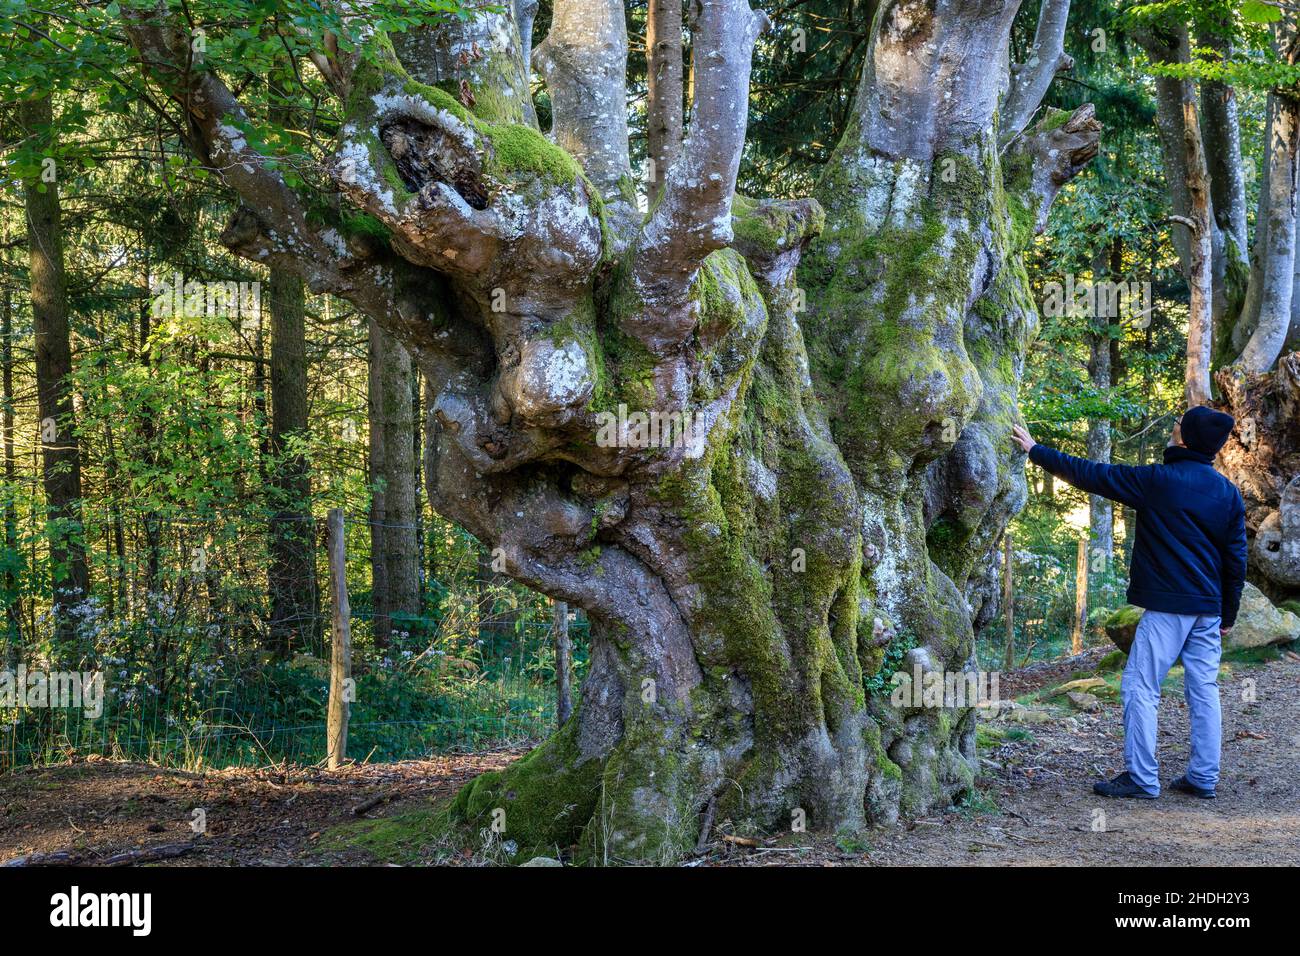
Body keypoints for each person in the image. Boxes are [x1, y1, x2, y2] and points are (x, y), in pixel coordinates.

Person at [1011, 406, 1247, 800]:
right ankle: (1204, 777)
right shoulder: (1227, 493)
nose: (1172, 431)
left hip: (1169, 608)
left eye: (1176, 427)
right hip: (1208, 609)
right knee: (1204, 690)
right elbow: (1235, 559)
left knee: (1140, 686)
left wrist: (1037, 450)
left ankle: (1142, 777)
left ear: (1185, 439)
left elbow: (1093, 475)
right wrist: (1229, 613)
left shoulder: (1159, 481)